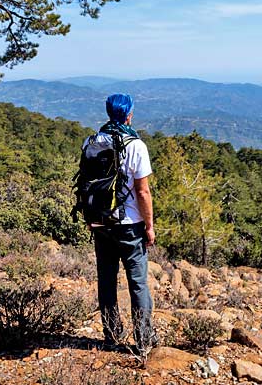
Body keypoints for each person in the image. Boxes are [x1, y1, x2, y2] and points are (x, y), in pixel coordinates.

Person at [82, 93, 156, 353]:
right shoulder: (136, 146)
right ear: (129, 114)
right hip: (129, 225)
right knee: (137, 283)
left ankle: (112, 333)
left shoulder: (91, 142)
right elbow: (143, 192)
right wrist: (149, 226)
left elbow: (85, 185)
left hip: (101, 223)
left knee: (107, 281)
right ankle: (144, 340)